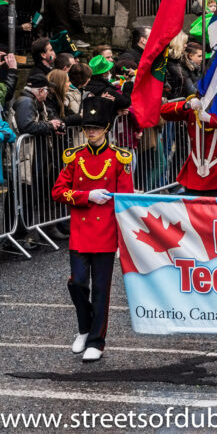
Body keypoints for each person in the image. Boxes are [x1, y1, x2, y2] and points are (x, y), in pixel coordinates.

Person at [51, 96, 134, 363]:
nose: (91, 132)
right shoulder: (75, 158)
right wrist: (87, 196)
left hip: (107, 233)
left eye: (96, 128)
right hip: (81, 232)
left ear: (106, 128)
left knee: (101, 290)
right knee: (76, 283)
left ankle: (97, 340)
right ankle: (84, 328)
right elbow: (58, 192)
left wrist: (124, 242)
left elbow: (126, 203)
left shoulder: (120, 158)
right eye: (88, 128)